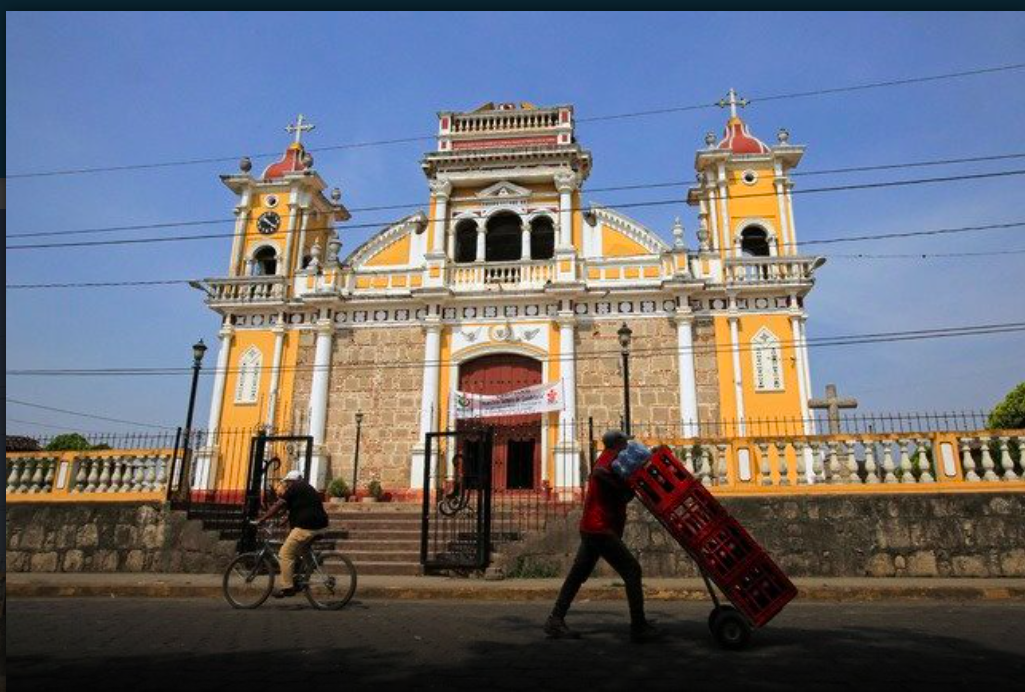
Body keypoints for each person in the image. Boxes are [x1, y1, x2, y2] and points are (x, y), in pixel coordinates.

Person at [545, 430, 659, 643]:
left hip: (594, 527)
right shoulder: (609, 459)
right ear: (617, 443)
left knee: (577, 575)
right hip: (600, 529)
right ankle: (639, 626)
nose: (627, 444)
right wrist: (621, 489)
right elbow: (598, 474)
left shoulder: (613, 459)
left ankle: (555, 619)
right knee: (632, 570)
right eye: (624, 441)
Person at [255, 467, 329, 598]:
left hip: (306, 527)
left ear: (292, 481)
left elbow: (279, 505)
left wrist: (263, 518)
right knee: (303, 550)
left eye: (287, 482)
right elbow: (301, 506)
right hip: (320, 525)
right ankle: (306, 575)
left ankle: (287, 587)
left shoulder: (295, 488)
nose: (286, 485)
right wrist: (286, 519)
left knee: (285, 553)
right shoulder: (308, 488)